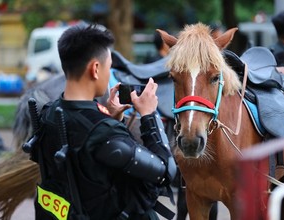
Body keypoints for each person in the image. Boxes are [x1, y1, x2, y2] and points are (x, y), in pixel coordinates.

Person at [30, 23, 176, 220]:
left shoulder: (49, 113)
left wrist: (112, 117)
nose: (109, 75)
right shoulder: (103, 131)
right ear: (96, 69)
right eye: (109, 67)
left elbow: (86, 165)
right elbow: (166, 171)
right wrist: (150, 115)